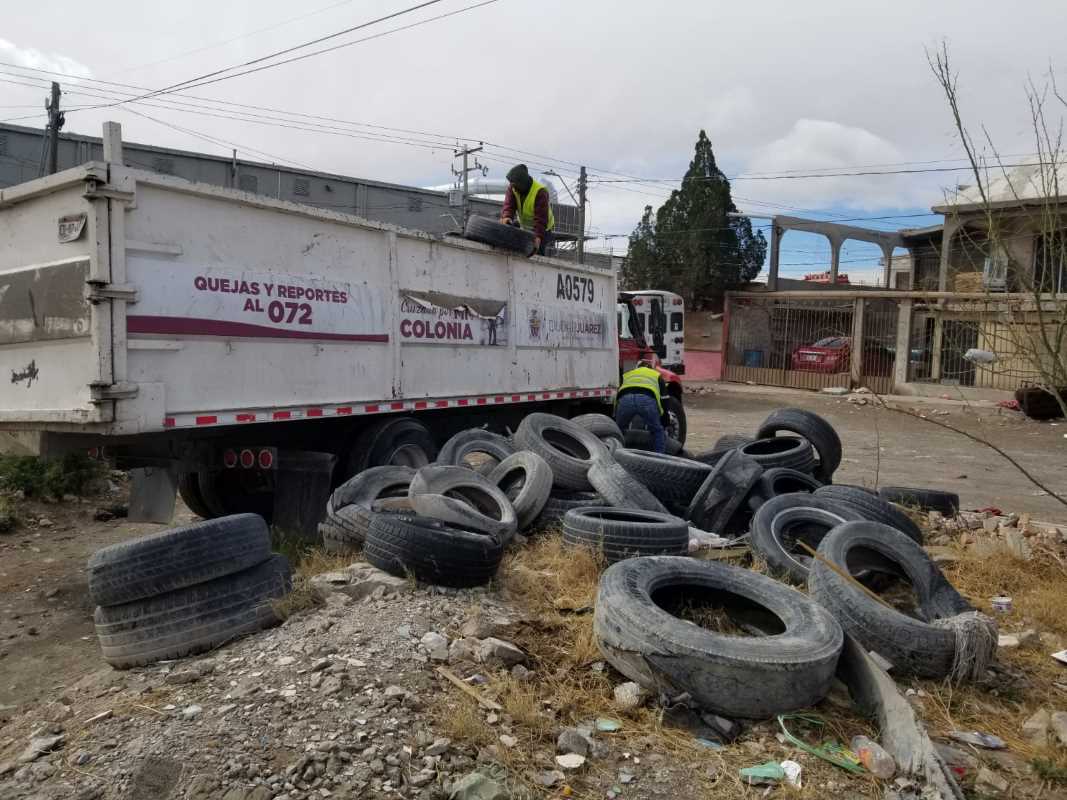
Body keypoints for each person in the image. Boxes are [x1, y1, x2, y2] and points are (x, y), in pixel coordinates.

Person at [615, 359, 669, 453]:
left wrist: (615, 415)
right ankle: (660, 459)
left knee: (618, 430)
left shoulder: (628, 374)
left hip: (625, 399)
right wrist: (665, 418)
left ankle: (616, 454)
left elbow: (619, 393)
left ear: (638, 368)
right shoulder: (656, 375)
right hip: (646, 400)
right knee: (657, 431)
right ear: (650, 368)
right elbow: (664, 399)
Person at [501, 164, 555, 256]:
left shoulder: (540, 192)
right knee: (521, 253)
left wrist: (538, 237)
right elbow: (509, 205)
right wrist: (507, 217)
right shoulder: (513, 189)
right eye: (512, 184)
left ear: (522, 183)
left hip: (543, 229)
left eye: (515, 185)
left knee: (536, 254)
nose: (512, 187)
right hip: (525, 226)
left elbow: (541, 220)